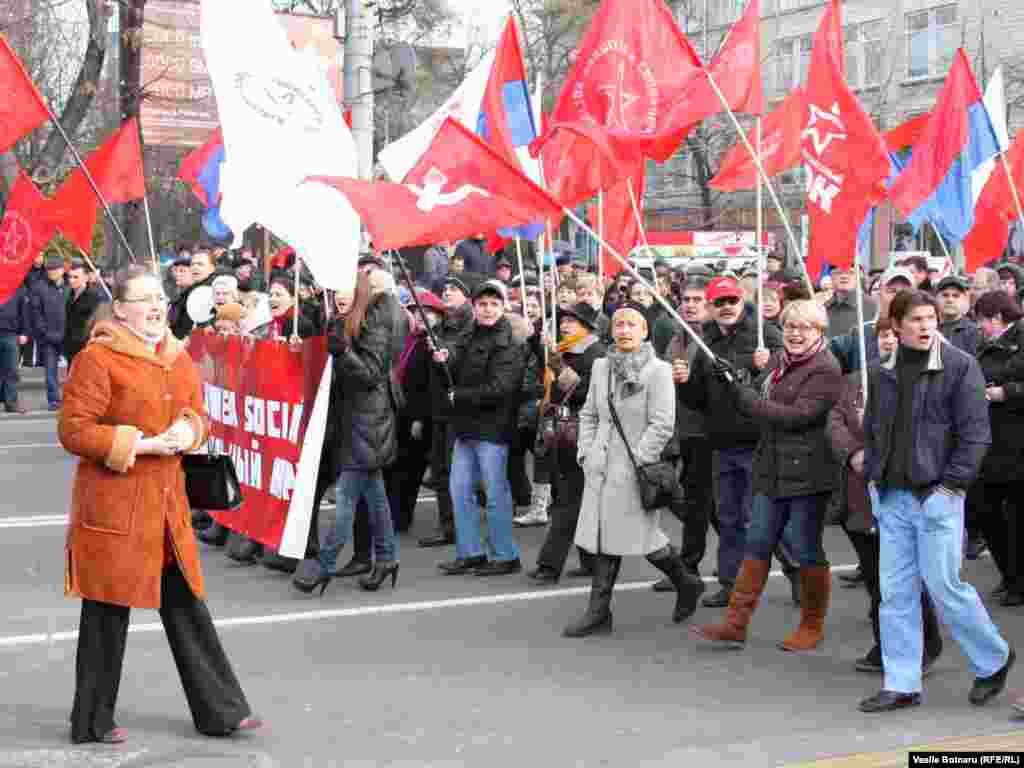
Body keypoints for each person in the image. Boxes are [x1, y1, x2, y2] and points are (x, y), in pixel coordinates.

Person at [59, 264, 261, 744]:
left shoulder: (176, 355)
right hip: (116, 506)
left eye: (159, 298)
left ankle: (222, 712)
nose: (155, 307)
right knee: (107, 611)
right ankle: (91, 722)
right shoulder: (98, 358)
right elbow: (73, 430)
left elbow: (198, 414)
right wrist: (143, 445)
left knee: (187, 605)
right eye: (144, 299)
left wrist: (189, 431)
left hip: (167, 508)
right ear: (121, 309)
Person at [859, 290, 1015, 713]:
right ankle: (902, 683)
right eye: (916, 320)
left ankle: (993, 659)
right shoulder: (881, 371)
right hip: (892, 497)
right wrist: (874, 476)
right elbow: (874, 428)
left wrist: (950, 488)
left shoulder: (961, 367)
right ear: (896, 325)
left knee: (945, 587)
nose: (926, 326)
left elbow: (975, 435)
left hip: (937, 497)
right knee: (895, 594)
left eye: (931, 318)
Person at [692, 300, 841, 650]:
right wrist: (736, 377)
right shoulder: (779, 361)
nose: (795, 333)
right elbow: (756, 389)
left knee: (806, 549)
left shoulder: (826, 368)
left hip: (809, 473)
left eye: (805, 327)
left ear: (819, 332)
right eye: (790, 326)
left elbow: (796, 416)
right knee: (757, 543)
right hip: (771, 468)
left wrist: (743, 396)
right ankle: (735, 623)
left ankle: (812, 624)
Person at [562, 303, 704, 637]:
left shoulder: (658, 370)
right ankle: (605, 610)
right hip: (599, 467)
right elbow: (589, 414)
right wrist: (585, 452)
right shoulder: (600, 367)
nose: (624, 330)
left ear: (644, 331)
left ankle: (682, 582)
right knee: (608, 539)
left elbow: (662, 424)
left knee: (635, 538)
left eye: (632, 324)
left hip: (634, 469)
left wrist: (639, 459)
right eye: (620, 324)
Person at [828, 315, 943, 676]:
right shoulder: (854, 381)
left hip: (898, 493)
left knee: (904, 578)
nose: (888, 342)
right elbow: (833, 421)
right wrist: (853, 451)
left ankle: (918, 645)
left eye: (895, 335)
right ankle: (891, 644)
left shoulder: (915, 381)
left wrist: (872, 425)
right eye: (882, 336)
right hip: (860, 496)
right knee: (878, 580)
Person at [676, 276, 786, 609]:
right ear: (711, 307)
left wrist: (757, 369)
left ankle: (797, 570)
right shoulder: (705, 339)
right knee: (729, 517)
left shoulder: (765, 335)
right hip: (721, 442)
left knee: (761, 518)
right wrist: (683, 383)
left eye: (731, 301)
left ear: (742, 302)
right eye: (719, 302)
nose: (726, 308)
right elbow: (698, 399)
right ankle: (730, 584)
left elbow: (778, 387)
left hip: (758, 441)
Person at [295, 270, 402, 595]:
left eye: (345, 289)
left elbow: (370, 375)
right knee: (376, 497)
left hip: (367, 423)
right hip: (351, 421)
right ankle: (386, 559)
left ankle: (324, 564)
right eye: (334, 289)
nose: (339, 295)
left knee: (345, 497)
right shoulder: (343, 321)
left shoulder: (373, 323)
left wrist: (343, 352)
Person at [434, 280, 526, 577]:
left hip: (494, 429)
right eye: (482, 304)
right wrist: (443, 357)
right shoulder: (468, 335)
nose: (487, 309)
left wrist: (459, 396)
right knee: (459, 490)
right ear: (474, 308)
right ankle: (471, 551)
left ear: (502, 308)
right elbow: (456, 360)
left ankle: (505, 555)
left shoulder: (509, 343)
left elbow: (502, 388)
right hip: (465, 427)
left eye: (493, 304)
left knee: (496, 493)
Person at [527, 302, 607, 583]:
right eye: (564, 320)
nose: (564, 325)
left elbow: (584, 393)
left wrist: (558, 365)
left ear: (586, 326)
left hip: (582, 435)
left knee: (568, 502)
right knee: (576, 500)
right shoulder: (565, 349)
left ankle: (549, 566)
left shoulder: (596, 353)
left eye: (572, 320)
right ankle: (592, 562)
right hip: (562, 433)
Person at [967, 291, 1024, 606]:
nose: (979, 326)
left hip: (1017, 441)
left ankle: (1017, 582)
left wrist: (1007, 393)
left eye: (982, 320)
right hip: (991, 442)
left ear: (997, 317)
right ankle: (1010, 576)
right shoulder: (984, 346)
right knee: (985, 512)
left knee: (1015, 519)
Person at [418, 275, 476, 548]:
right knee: (441, 469)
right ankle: (448, 525)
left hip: (460, 407)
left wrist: (446, 354)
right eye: (445, 289)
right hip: (440, 408)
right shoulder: (442, 326)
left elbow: (463, 357)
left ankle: (462, 525)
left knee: (458, 471)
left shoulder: (469, 324)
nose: (447, 292)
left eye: (454, 288)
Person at [28, 254, 67, 411]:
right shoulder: (39, 287)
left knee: (75, 370)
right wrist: (44, 333)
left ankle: (72, 399)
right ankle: (54, 401)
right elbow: (36, 314)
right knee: (50, 371)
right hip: (48, 337)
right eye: (49, 269)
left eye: (55, 269)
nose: (52, 272)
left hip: (67, 335)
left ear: (62, 269)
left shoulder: (70, 286)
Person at [63, 260, 106, 366]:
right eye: (70, 277)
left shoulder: (94, 297)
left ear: (86, 278)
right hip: (70, 346)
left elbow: (97, 322)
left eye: (75, 277)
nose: (71, 280)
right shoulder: (69, 295)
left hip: (86, 346)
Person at [825, 266, 877, 338]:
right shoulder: (823, 309)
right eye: (838, 273)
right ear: (831, 277)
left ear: (857, 277)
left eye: (850, 273)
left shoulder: (873, 306)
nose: (844, 276)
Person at [935, 275, 980, 356]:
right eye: (945, 295)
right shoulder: (928, 327)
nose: (950, 300)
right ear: (936, 298)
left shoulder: (973, 332)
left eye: (956, 296)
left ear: (964, 300)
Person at [0, 284, 28, 413]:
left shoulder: (17, 288)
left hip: (10, 334)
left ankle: (11, 403)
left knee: (11, 370)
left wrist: (24, 332)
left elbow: (24, 312)